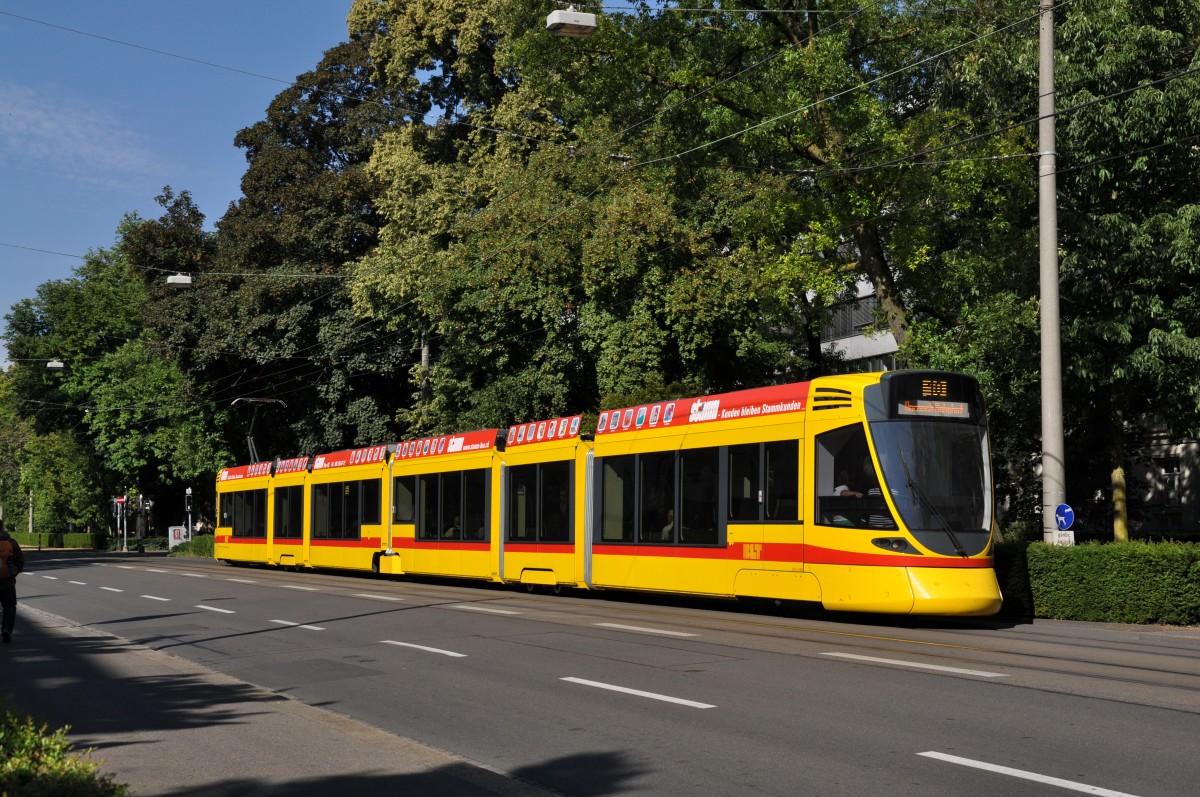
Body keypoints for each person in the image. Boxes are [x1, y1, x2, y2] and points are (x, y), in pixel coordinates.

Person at [0, 522, 26, 644]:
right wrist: (13, 573)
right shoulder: (11, 542)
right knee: (9, 606)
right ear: (2, 528)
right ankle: (6, 629)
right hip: (7, 582)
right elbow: (20, 560)